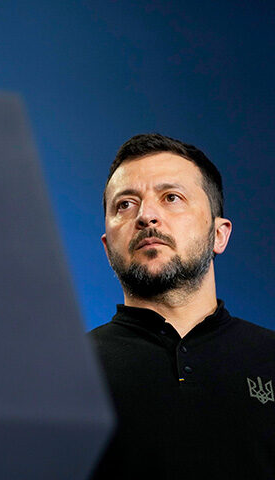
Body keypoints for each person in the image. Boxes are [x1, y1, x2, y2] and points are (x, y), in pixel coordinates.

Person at [89, 133, 275, 479]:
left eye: (171, 197)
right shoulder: (65, 374)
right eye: (125, 204)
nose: (146, 216)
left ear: (219, 234)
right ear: (106, 246)